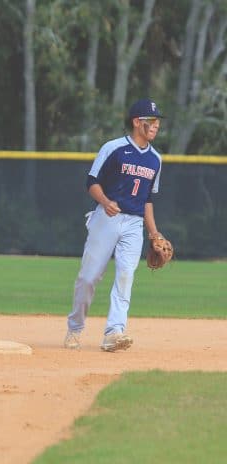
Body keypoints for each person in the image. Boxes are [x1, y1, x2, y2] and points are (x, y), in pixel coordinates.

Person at [64, 98, 165, 352]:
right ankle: (75, 328)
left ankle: (114, 333)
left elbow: (148, 200)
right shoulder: (114, 148)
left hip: (134, 224)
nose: (156, 125)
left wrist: (154, 233)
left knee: (125, 275)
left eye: (157, 121)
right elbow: (91, 182)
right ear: (136, 122)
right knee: (89, 278)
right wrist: (106, 201)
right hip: (107, 218)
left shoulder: (155, 159)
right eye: (151, 121)